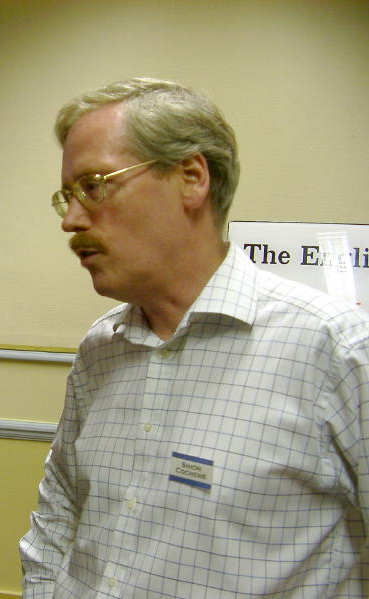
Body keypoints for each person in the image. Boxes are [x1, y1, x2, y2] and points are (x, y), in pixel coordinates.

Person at [20, 77, 369, 597]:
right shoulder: (102, 348)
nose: (71, 219)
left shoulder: (334, 348)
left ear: (190, 178)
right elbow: (58, 517)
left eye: (94, 186)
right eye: (67, 196)